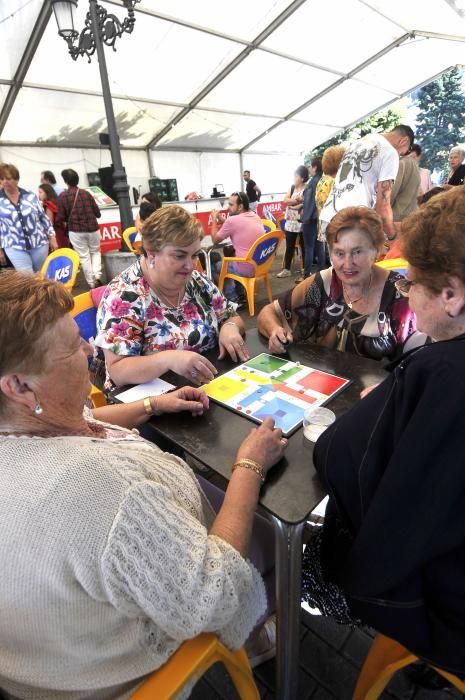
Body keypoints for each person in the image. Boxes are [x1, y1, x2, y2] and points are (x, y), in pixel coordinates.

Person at [0, 270, 288, 698]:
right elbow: (214, 590)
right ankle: (255, 636)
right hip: (113, 669)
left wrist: (153, 404)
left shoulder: (21, 425)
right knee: (276, 541)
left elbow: (82, 421)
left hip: (45, 657)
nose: (90, 347)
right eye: (72, 348)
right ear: (20, 386)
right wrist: (250, 462)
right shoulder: (107, 493)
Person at [301, 186, 465, 677]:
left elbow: (337, 457)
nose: (408, 292)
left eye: (412, 282)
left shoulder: (439, 372)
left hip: (447, 599)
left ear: (452, 295)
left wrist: (378, 413)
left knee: (318, 552)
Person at [95, 205, 249, 390]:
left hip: (206, 386)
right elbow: (118, 372)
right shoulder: (124, 296)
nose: (190, 265)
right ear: (151, 253)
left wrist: (229, 328)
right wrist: (168, 359)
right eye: (180, 256)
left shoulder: (196, 282)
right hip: (151, 405)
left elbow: (230, 316)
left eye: (194, 255)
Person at [257, 206, 417, 361]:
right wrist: (275, 331)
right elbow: (269, 312)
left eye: (357, 252)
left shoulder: (401, 295)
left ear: (376, 250)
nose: (347, 264)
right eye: (339, 253)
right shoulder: (324, 283)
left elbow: (419, 364)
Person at [320, 125, 415, 242]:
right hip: (354, 220)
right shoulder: (390, 152)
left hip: (330, 216)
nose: (400, 155)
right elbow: (383, 205)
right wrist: (393, 237)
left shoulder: (358, 143)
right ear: (404, 140)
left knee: (339, 259)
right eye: (403, 153)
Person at [0, 163, 57, 272]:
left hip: (39, 243)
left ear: (16, 179)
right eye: (2, 179)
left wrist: (52, 236)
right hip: (14, 246)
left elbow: (43, 217)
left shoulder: (30, 195)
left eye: (8, 178)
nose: (5, 182)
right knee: (28, 280)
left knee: (41, 276)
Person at [210, 191, 264, 303]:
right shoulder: (255, 216)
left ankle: (232, 297)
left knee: (216, 266)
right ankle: (241, 294)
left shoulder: (232, 221)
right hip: (260, 265)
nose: (227, 207)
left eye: (230, 205)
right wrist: (223, 220)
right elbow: (237, 225)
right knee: (229, 255)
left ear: (240, 206)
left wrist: (214, 219)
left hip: (245, 268)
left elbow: (215, 240)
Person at [58, 168, 102, 288]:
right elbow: (97, 213)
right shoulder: (86, 193)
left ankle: (91, 283)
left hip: (76, 231)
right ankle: (97, 275)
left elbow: (60, 217)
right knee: (95, 252)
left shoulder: (62, 196)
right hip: (93, 228)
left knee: (84, 256)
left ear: (65, 181)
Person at [315, 145, 346, 272]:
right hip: (336, 226)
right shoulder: (334, 182)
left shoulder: (322, 180)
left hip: (326, 225)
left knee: (335, 258)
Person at [277, 165, 309, 279]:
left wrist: (294, 204)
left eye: (296, 176)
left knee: (303, 245)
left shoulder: (307, 188)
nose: (294, 178)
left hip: (301, 221)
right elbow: (285, 200)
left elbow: (304, 204)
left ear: (302, 177)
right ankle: (286, 269)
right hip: (290, 221)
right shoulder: (291, 187)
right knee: (289, 245)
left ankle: (305, 269)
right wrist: (296, 201)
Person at [298, 156, 323, 283]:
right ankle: (322, 274)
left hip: (310, 219)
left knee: (308, 248)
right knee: (320, 247)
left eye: (311, 166)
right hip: (321, 219)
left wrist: (304, 220)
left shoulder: (312, 183)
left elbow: (309, 204)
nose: (309, 168)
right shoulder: (324, 180)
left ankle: (306, 275)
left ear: (315, 167)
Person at [38, 183, 68, 248]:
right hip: (62, 232)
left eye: (40, 192)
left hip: (56, 234)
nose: (39, 195)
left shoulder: (48, 205)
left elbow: (49, 223)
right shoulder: (56, 201)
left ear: (46, 193)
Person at [391, 155, 420, 221]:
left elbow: (389, 196)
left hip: (396, 217)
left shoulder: (402, 163)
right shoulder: (413, 164)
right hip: (409, 218)